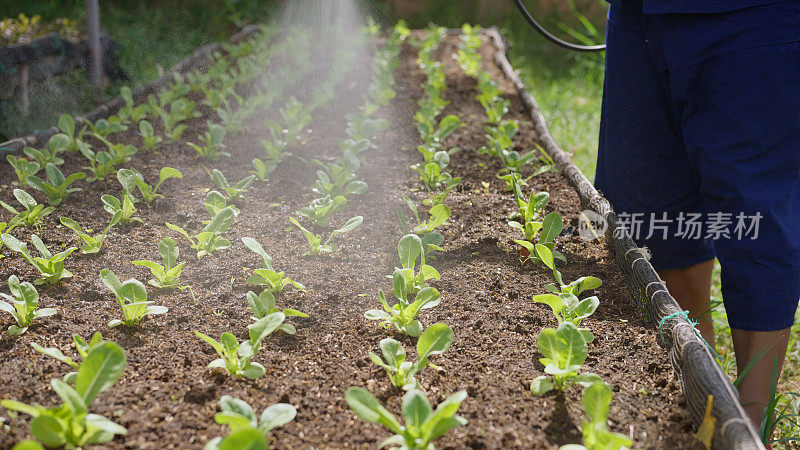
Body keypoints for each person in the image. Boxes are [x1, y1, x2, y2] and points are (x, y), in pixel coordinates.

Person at [594, 0, 800, 431]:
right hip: (638, 15)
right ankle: (705, 406)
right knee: (651, 216)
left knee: (754, 214)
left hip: (749, 15)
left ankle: (752, 422)